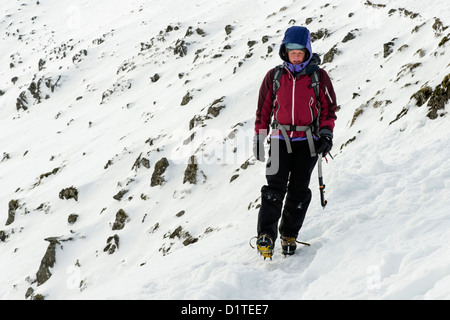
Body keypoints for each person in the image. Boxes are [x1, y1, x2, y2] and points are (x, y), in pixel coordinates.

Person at [253, 26, 337, 259]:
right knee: (273, 187)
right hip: (279, 138)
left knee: (299, 190)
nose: (296, 55)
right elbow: (263, 110)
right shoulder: (274, 76)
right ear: (285, 51)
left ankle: (289, 234)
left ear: (307, 51)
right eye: (291, 51)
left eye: (300, 51)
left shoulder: (318, 77)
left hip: (308, 141)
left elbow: (328, 109)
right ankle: (265, 236)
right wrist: (260, 137)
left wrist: (326, 134)